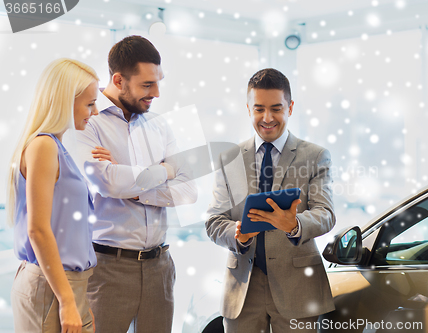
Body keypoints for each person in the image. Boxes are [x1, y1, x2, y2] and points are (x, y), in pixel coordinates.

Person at [70, 35, 197, 333]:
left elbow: (189, 190)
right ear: (118, 79)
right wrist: (165, 170)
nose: (157, 93)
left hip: (160, 267)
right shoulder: (88, 120)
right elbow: (109, 184)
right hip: (108, 268)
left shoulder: (159, 125)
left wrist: (137, 189)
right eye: (147, 85)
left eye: (158, 82)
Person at [206, 68, 336, 332]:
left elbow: (325, 213)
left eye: (276, 108)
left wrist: (294, 224)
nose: (267, 118)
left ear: (290, 107)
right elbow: (214, 220)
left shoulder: (315, 155)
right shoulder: (229, 158)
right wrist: (237, 235)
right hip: (242, 288)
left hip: (298, 288)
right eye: (259, 109)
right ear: (248, 108)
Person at [7, 58, 99, 333]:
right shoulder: (44, 146)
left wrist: (76, 299)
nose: (94, 112)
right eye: (89, 103)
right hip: (54, 287)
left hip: (64, 285)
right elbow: (37, 230)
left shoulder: (55, 146)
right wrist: (67, 300)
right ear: (64, 101)